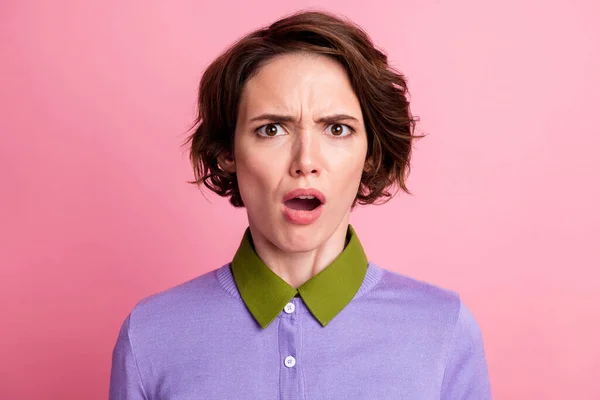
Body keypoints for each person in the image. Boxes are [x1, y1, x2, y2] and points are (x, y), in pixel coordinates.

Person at [109, 9, 492, 399]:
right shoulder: (151, 334)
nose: (305, 161)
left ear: (371, 155)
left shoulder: (443, 328)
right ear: (228, 151)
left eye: (337, 129)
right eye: (271, 129)